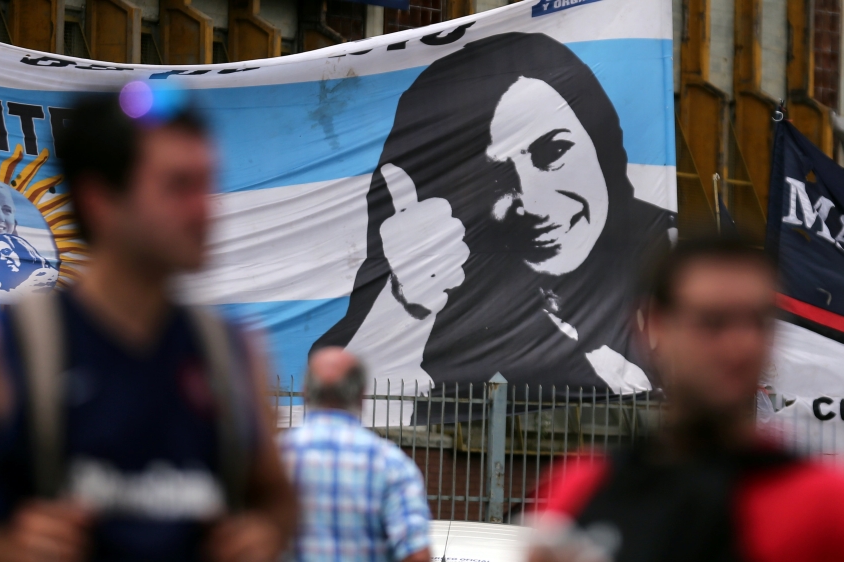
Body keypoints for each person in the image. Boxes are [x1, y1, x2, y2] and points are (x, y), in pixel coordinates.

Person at [0, 85, 297, 562]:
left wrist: (263, 532)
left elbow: (279, 501)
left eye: (206, 184)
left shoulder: (230, 351)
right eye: (178, 187)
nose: (204, 209)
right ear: (100, 200)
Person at [314, 33, 673, 411]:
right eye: (491, 178)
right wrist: (405, 305)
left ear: (601, 143)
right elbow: (335, 409)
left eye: (554, 151)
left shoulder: (672, 256)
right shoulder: (441, 302)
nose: (532, 202)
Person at [529, 238, 844, 562]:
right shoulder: (585, 488)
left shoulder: (824, 505)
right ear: (655, 327)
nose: (742, 346)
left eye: (758, 322)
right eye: (713, 322)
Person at [279, 347, 431, 562]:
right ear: (361, 395)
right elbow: (417, 554)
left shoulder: (274, 458)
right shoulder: (392, 464)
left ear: (305, 392)